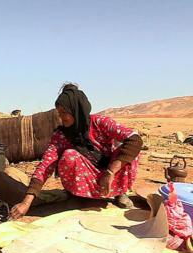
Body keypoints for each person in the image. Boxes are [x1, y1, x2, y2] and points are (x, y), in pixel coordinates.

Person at [9, 83, 143, 220]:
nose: (61, 117)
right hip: (89, 178)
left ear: (77, 109)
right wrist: (26, 203)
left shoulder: (100, 122)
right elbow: (45, 166)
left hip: (110, 175)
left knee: (131, 150)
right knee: (69, 156)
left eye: (64, 112)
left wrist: (110, 172)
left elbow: (134, 139)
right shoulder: (61, 135)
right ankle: (80, 196)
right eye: (59, 113)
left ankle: (120, 192)